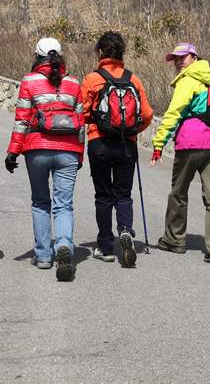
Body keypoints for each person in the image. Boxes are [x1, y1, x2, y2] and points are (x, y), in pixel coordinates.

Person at [4, 37, 84, 282]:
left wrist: (13, 151)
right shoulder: (73, 82)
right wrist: (79, 153)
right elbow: (81, 122)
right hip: (68, 149)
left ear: (37, 55)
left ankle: (43, 256)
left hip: (36, 148)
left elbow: (21, 118)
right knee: (64, 204)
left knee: (40, 201)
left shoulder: (29, 81)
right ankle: (64, 247)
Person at [149, 42, 210, 266]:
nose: (178, 61)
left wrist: (159, 143)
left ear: (194, 56)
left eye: (182, 57)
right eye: (175, 58)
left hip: (191, 142)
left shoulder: (188, 80)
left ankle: (174, 240)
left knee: (178, 193)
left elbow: (174, 112)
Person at [80, 31, 153, 267]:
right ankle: (124, 230)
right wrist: (133, 130)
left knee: (103, 195)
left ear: (101, 52)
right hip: (126, 145)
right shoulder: (134, 79)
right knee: (123, 194)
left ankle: (105, 247)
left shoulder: (92, 79)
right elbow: (147, 114)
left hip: (99, 142)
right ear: (122, 52)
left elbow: (82, 111)